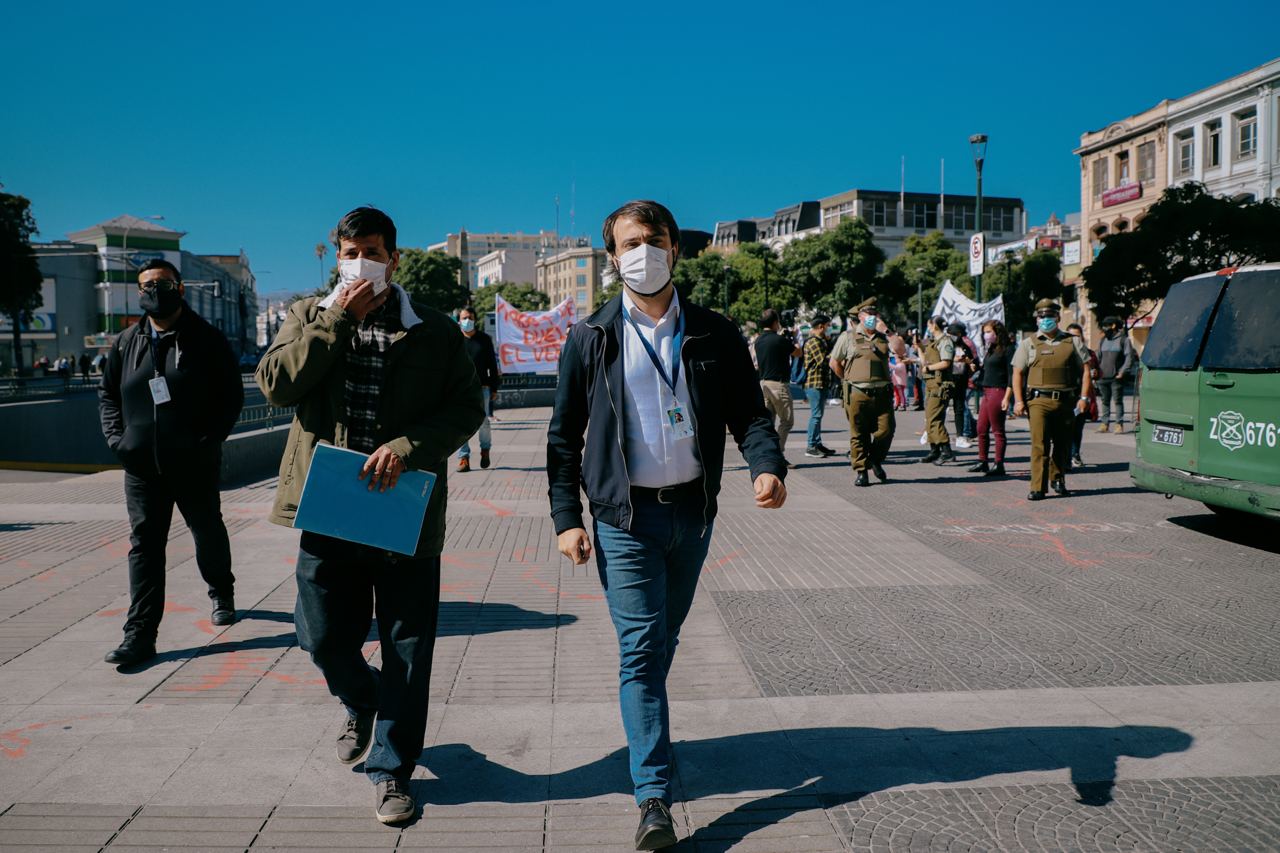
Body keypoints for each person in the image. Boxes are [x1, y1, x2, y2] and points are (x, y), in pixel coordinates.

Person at [547, 199, 787, 851]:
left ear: (675, 249)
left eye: (653, 240)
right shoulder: (591, 336)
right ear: (611, 257)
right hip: (624, 520)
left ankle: (647, 718)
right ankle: (653, 796)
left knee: (660, 639)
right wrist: (568, 517)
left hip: (692, 513)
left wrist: (767, 467)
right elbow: (563, 437)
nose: (642, 253)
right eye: (629, 243)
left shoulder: (714, 332)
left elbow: (750, 414)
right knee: (642, 649)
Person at [256, 206, 485, 825]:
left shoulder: (434, 330)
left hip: (403, 508)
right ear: (337, 256)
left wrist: (407, 448)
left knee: (407, 646)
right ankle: (362, 698)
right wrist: (336, 320)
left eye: (372, 252)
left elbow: (467, 407)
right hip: (328, 505)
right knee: (322, 634)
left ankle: (390, 770)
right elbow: (276, 384)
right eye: (349, 252)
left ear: (394, 259)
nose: (360, 263)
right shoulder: (308, 315)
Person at [97, 258, 244, 666]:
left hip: (193, 464)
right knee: (145, 546)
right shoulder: (127, 342)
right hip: (142, 468)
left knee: (207, 531)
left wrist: (207, 441)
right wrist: (117, 440)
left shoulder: (207, 339)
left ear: (179, 288)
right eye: (146, 285)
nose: (154, 291)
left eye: (162, 284)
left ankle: (221, 590)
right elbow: (108, 395)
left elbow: (230, 398)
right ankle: (139, 636)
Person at [1011, 299, 1092, 501]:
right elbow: (1017, 373)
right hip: (1038, 400)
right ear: (1036, 319)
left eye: (1049, 316)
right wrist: (1019, 401)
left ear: (1057, 317)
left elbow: (1086, 371)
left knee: (1063, 443)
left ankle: (1057, 478)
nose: (1045, 320)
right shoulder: (1028, 344)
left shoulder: (1072, 341)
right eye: (1041, 316)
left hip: (1066, 400)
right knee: (1040, 444)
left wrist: (1084, 398)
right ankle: (1037, 486)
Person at [830, 297, 896, 486]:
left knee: (886, 431)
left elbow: (900, 349)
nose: (872, 318)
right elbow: (834, 363)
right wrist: (847, 380)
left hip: (882, 393)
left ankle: (874, 460)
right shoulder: (848, 337)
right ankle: (861, 471)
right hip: (857, 392)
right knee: (859, 433)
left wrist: (888, 331)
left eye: (875, 315)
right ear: (860, 316)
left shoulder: (884, 337)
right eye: (869, 315)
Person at [455, 305, 500, 472]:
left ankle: (485, 450)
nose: (467, 321)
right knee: (461, 422)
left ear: (475, 320)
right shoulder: (455, 339)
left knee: (483, 422)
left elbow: (492, 365)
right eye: (464, 318)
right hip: (459, 390)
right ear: (459, 321)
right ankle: (463, 457)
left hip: (482, 387)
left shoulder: (484, 339)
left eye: (470, 318)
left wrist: (494, 387)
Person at [754, 308, 800, 465]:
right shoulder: (780, 340)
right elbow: (798, 353)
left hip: (763, 384)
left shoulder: (758, 340)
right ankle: (778, 454)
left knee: (769, 422)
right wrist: (792, 338)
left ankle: (768, 455)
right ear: (775, 322)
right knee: (787, 421)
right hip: (778, 385)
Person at [968, 320, 1013, 476]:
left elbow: (1011, 375)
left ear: (997, 332)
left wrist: (1007, 397)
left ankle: (999, 464)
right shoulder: (991, 349)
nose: (986, 335)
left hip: (998, 391)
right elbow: (988, 369)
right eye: (985, 332)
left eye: (988, 331)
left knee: (997, 430)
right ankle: (983, 461)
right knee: (981, 428)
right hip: (986, 391)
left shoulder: (1008, 349)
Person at [916, 317, 956, 464]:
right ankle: (935, 450)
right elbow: (924, 362)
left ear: (934, 325)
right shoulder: (933, 343)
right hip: (931, 385)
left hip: (940, 386)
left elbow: (946, 362)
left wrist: (929, 368)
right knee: (930, 418)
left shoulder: (945, 341)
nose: (928, 327)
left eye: (929, 324)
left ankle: (947, 451)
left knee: (934, 419)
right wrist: (919, 348)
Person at [801, 313, 838, 458]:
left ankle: (817, 443)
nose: (829, 329)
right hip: (814, 383)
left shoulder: (820, 341)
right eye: (828, 326)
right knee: (816, 415)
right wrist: (836, 352)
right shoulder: (814, 342)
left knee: (818, 415)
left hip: (821, 382)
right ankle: (811, 446)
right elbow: (822, 360)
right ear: (821, 326)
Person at [1066, 323, 1099, 469]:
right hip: (1066, 396)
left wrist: (1096, 373)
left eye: (1077, 336)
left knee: (1078, 428)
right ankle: (1064, 456)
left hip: (1082, 396)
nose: (1075, 338)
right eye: (1071, 336)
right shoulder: (1063, 353)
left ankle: (1075, 454)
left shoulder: (1089, 353)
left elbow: (1098, 371)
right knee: (1065, 428)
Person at [1095, 315, 1135, 433]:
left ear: (1113, 326)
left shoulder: (1124, 340)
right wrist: (1096, 370)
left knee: (1118, 401)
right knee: (1104, 401)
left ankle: (1119, 424)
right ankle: (1104, 424)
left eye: (1106, 326)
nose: (1104, 328)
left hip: (1116, 377)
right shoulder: (1103, 340)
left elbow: (1129, 358)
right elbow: (1098, 357)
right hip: (1103, 377)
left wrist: (1122, 372)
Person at [947, 322, 979, 449]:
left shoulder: (965, 346)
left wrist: (969, 363)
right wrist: (954, 359)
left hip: (961, 380)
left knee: (959, 408)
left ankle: (960, 436)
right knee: (942, 407)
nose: (953, 337)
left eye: (955, 334)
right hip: (948, 379)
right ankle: (934, 433)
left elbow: (972, 362)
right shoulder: (947, 345)